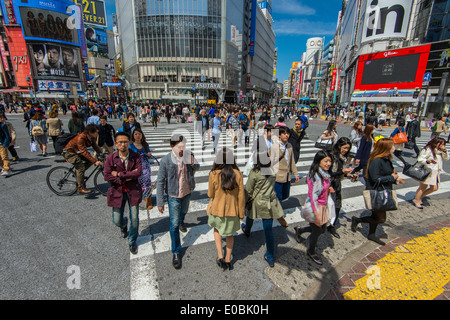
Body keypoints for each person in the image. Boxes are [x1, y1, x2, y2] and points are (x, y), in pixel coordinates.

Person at [156, 134, 200, 269]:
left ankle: (182, 219)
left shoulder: (188, 155)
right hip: (173, 195)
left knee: (184, 211)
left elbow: (197, 167)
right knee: (173, 225)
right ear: (172, 146)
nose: (182, 148)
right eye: (179, 146)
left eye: (184, 146)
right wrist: (160, 201)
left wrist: (192, 162)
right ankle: (176, 251)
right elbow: (160, 181)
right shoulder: (165, 161)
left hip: (187, 191)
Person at [351, 138, 405, 245]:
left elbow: (386, 176)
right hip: (376, 191)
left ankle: (371, 234)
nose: (394, 148)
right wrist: (391, 178)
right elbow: (376, 178)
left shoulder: (386, 159)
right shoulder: (376, 161)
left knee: (376, 215)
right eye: (392, 146)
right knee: (381, 218)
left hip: (383, 190)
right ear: (386, 148)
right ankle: (357, 220)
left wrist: (396, 180)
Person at [241, 141, 284, 267]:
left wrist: (243, 203)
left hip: (257, 201)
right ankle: (270, 254)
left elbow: (248, 190)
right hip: (269, 202)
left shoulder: (255, 173)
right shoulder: (272, 171)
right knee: (268, 229)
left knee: (250, 215)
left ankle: (247, 230)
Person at [104, 131, 142, 255]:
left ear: (129, 142)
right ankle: (123, 224)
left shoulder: (135, 156)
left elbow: (138, 172)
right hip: (117, 192)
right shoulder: (110, 157)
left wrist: (120, 174)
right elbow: (107, 176)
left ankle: (132, 241)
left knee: (135, 219)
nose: (123, 145)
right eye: (120, 142)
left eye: (125, 142)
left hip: (133, 191)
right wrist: (127, 177)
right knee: (116, 220)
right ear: (115, 144)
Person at [207, 148, 245, 271]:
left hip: (217, 209)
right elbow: (241, 195)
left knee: (217, 230)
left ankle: (220, 256)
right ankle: (228, 259)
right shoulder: (238, 174)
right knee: (230, 234)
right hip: (232, 210)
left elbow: (210, 194)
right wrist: (241, 212)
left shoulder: (214, 174)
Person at [295, 150, 334, 265]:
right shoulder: (315, 176)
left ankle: (300, 230)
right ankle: (311, 251)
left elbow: (323, 189)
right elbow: (313, 197)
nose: (328, 164)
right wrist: (316, 215)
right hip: (314, 207)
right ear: (318, 162)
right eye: (325, 161)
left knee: (322, 229)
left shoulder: (325, 175)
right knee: (317, 231)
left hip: (323, 205)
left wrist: (328, 190)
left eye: (330, 161)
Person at [270, 126, 300, 228]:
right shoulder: (274, 146)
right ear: (279, 135)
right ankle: (277, 214)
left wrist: (295, 174)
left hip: (287, 176)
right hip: (277, 176)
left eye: (287, 133)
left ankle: (275, 209)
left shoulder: (289, 146)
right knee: (277, 196)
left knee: (284, 195)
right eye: (284, 133)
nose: (286, 135)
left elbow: (292, 161)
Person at [63, 124, 104, 194]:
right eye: (96, 132)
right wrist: (95, 161)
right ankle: (80, 187)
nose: (97, 134)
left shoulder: (91, 137)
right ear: (90, 132)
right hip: (69, 153)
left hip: (77, 152)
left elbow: (95, 147)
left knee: (89, 161)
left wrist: (102, 154)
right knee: (80, 167)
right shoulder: (81, 138)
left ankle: (79, 174)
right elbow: (84, 152)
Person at [412, 137, 448, 209]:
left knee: (434, 188)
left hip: (435, 171)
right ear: (436, 143)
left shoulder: (439, 151)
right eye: (441, 144)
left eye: (443, 145)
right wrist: (428, 161)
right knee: (423, 187)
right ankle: (417, 200)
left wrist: (445, 151)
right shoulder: (428, 149)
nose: (442, 146)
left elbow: (446, 159)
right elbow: (420, 159)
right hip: (428, 170)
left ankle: (419, 197)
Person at [329, 137, 354, 238]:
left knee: (337, 206)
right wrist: (342, 172)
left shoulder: (341, 157)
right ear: (339, 146)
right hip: (329, 185)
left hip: (337, 183)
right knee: (327, 207)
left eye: (348, 148)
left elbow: (338, 172)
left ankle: (332, 226)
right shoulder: (332, 157)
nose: (346, 150)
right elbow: (330, 173)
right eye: (344, 148)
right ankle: (303, 229)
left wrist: (347, 175)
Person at [130, 128, 156, 210]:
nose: (138, 136)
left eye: (139, 134)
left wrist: (149, 154)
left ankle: (148, 200)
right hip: (136, 167)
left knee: (147, 183)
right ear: (133, 136)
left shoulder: (145, 144)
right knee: (136, 183)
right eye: (136, 134)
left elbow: (148, 152)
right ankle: (137, 197)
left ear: (142, 136)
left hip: (145, 167)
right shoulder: (130, 145)